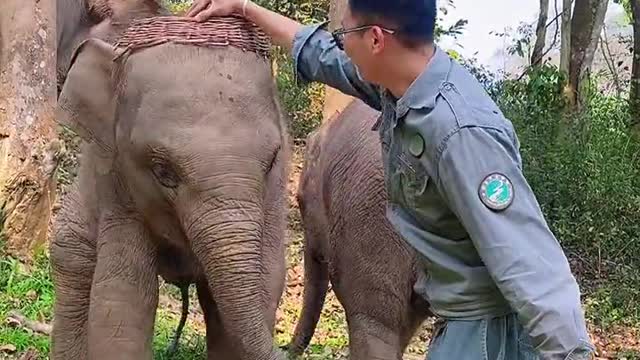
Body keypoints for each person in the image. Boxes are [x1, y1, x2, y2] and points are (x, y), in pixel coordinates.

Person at [187, 0, 596, 359]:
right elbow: (322, 55)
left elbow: (530, 260)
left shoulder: (460, 131)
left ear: (377, 40)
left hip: (488, 331)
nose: (341, 42)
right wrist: (244, 9)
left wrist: (570, 353)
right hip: (457, 316)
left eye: (345, 32)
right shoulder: (404, 88)